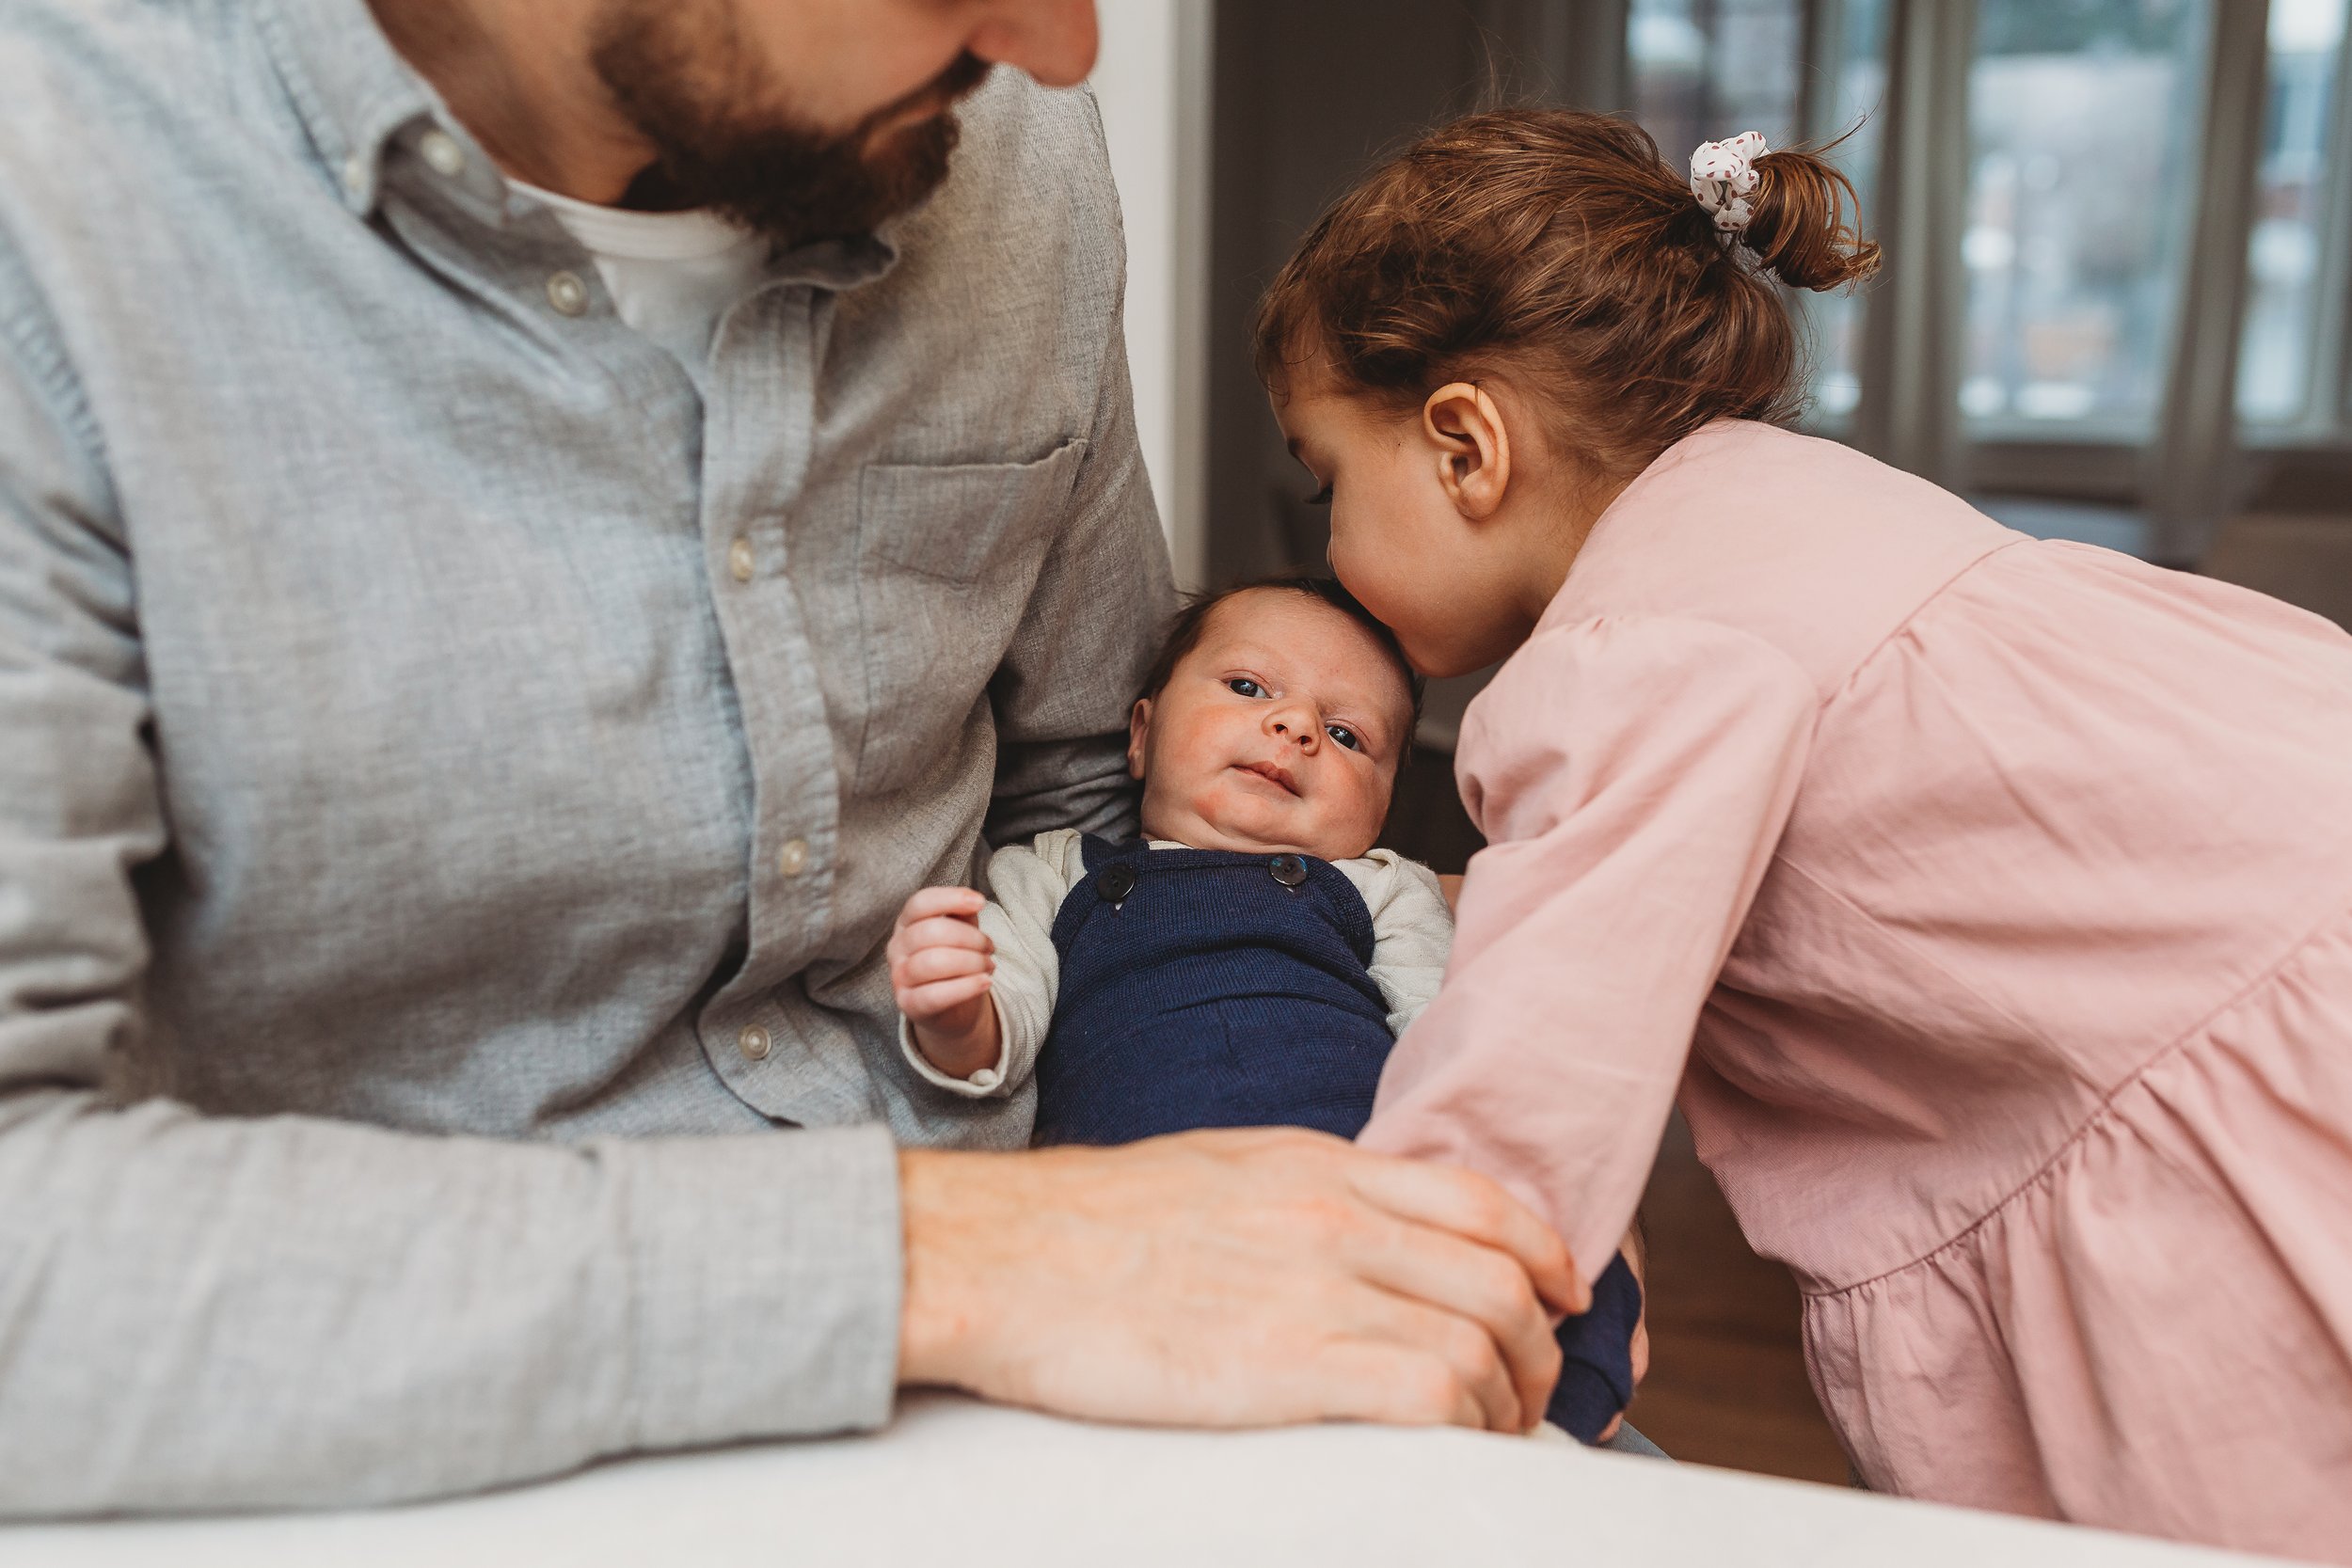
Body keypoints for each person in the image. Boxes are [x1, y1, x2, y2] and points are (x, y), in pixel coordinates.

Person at [0, 0, 1581, 1514]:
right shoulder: (63, 196)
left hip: (1093, 1354)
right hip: (400, 1433)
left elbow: (1094, 796)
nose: (1062, 47)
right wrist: (952, 1257)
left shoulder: (1019, 164)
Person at [1257, 107, 2352, 1562]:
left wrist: (1350, 1339)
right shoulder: (1784, 506)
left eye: (1330, 481)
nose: (1326, 541)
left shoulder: (1629, 650)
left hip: (2247, 1078)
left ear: (1464, 442)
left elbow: (1529, 1099)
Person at [886, 578, 1647, 1444]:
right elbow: (1008, 1016)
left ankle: (1540, 1434)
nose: (1295, 729)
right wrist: (956, 1012)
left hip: (1358, 1179)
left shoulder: (1380, 887)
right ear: (1142, 735)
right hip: (1141, 1204)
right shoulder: (1054, 870)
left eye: (1348, 734)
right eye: (1249, 688)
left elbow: (1449, 1037)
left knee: (1543, 1271)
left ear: (1379, 814)